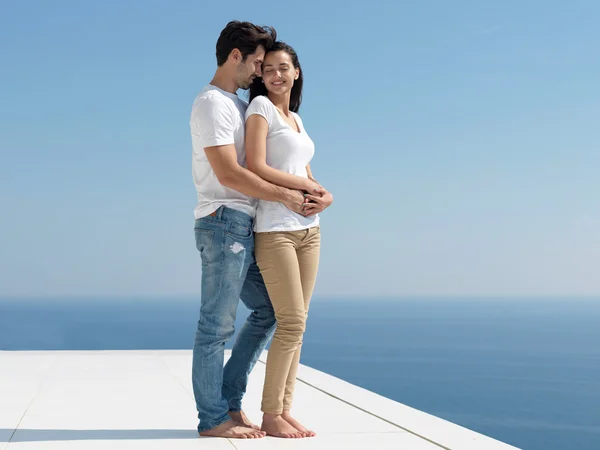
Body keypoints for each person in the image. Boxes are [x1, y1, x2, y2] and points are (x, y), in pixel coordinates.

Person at [189, 22, 308, 440]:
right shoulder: (211, 104)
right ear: (235, 56)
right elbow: (229, 172)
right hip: (224, 220)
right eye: (257, 62)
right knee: (215, 327)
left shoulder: (238, 105)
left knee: (272, 310)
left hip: (246, 224)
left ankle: (229, 402)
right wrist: (285, 196)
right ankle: (213, 419)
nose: (260, 72)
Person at [245, 41, 334, 438]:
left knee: (300, 324)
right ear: (262, 77)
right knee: (291, 320)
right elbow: (257, 165)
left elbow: (306, 171)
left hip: (309, 232)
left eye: (284, 68)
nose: (276, 75)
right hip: (275, 230)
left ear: (297, 72)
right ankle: (270, 414)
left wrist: (325, 195)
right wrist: (301, 186)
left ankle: (283, 409)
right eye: (268, 70)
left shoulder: (295, 119)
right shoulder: (260, 109)